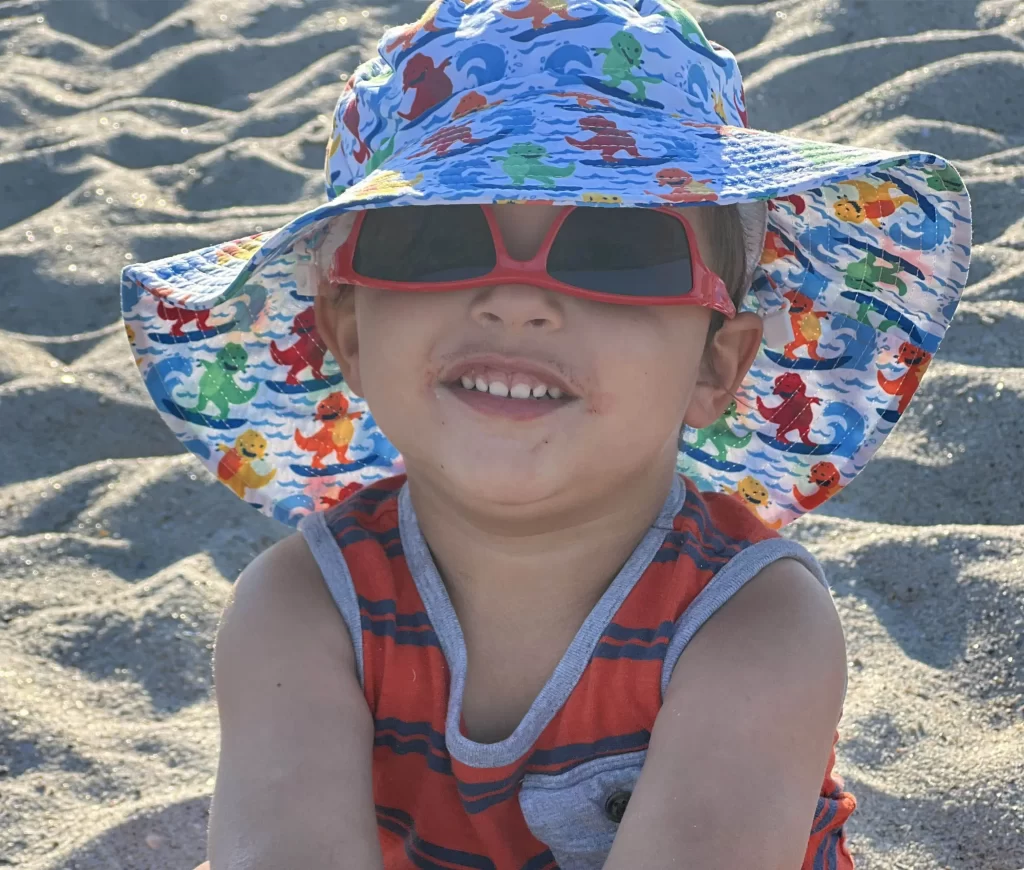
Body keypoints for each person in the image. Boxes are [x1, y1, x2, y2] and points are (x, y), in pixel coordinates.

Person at [120, 1, 972, 867]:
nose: (516, 297)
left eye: (614, 249)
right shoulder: (306, 606)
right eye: (435, 238)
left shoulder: (752, 620)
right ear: (346, 333)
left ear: (718, 365)